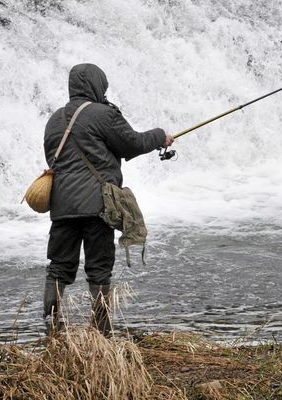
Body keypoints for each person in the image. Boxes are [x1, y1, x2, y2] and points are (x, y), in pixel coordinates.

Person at [42, 63, 174, 335]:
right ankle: (101, 329)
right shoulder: (103, 114)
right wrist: (160, 136)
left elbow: (52, 159)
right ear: (96, 85)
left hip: (62, 207)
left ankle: (52, 326)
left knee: (59, 266)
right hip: (97, 206)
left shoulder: (54, 120)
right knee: (99, 269)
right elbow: (133, 144)